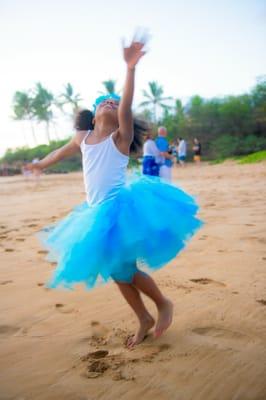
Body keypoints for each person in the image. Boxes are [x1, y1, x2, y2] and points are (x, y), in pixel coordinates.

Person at [26, 35, 202, 349]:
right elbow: (59, 152)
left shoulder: (121, 137)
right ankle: (144, 318)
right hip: (95, 214)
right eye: (102, 102)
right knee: (117, 271)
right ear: (93, 117)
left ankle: (162, 304)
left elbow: (127, 103)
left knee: (125, 269)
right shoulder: (83, 138)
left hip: (122, 210)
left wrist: (130, 69)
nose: (109, 102)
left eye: (113, 101)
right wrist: (40, 164)